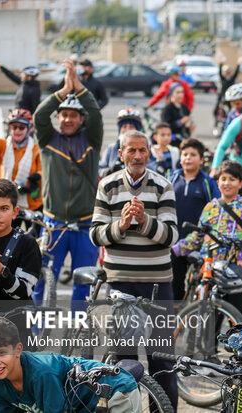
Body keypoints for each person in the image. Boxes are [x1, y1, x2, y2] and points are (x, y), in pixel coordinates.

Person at [89, 129, 179, 409]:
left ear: (149, 153)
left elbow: (172, 237)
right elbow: (95, 235)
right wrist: (122, 225)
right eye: (131, 150)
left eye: (142, 150)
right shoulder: (108, 185)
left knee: (162, 360)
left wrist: (144, 220)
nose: (137, 156)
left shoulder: (163, 186)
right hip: (120, 286)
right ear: (120, 154)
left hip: (157, 285)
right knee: (124, 360)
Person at [32, 59, 102, 310]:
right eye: (64, 115)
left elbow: (94, 111)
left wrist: (78, 86)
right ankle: (37, 331)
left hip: (85, 226)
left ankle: (77, 332)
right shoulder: (48, 140)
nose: (68, 119)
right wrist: (63, 90)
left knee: (84, 284)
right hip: (54, 225)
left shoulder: (92, 139)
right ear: (58, 117)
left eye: (73, 115)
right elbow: (40, 115)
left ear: (80, 119)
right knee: (42, 281)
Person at [173, 160, 242, 317]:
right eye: (223, 179)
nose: (227, 183)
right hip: (210, 271)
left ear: (241, 183)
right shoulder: (210, 207)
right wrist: (175, 249)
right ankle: (210, 342)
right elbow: (198, 236)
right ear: (218, 182)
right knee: (209, 320)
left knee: (236, 318)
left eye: (232, 179)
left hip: (238, 270)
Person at [0, 317, 141, 413]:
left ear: (18, 349)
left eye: (2, 353)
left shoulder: (42, 373)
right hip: (84, 407)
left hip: (114, 393)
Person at [168, 138, 219, 302]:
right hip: (175, 243)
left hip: (199, 244)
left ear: (202, 159)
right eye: (185, 154)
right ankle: (176, 320)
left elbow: (216, 210)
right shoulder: (171, 179)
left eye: (193, 155)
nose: (188, 158)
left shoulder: (208, 183)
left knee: (201, 285)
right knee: (174, 284)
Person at [0, 179, 41, 317]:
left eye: (4, 208)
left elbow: (24, 292)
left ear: (15, 212)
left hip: (14, 324)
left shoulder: (27, 244)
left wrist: (2, 271)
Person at [0, 110, 41, 212]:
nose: (17, 131)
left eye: (21, 127)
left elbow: (43, 170)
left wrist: (36, 177)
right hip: (8, 203)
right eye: (14, 127)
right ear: (10, 128)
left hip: (32, 203)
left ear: (29, 129)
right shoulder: (2, 146)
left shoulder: (36, 149)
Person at [99, 108, 144, 178]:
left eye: (131, 127)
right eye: (124, 126)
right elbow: (100, 168)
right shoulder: (111, 148)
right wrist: (109, 171)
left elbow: (152, 168)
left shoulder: (145, 148)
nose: (127, 130)